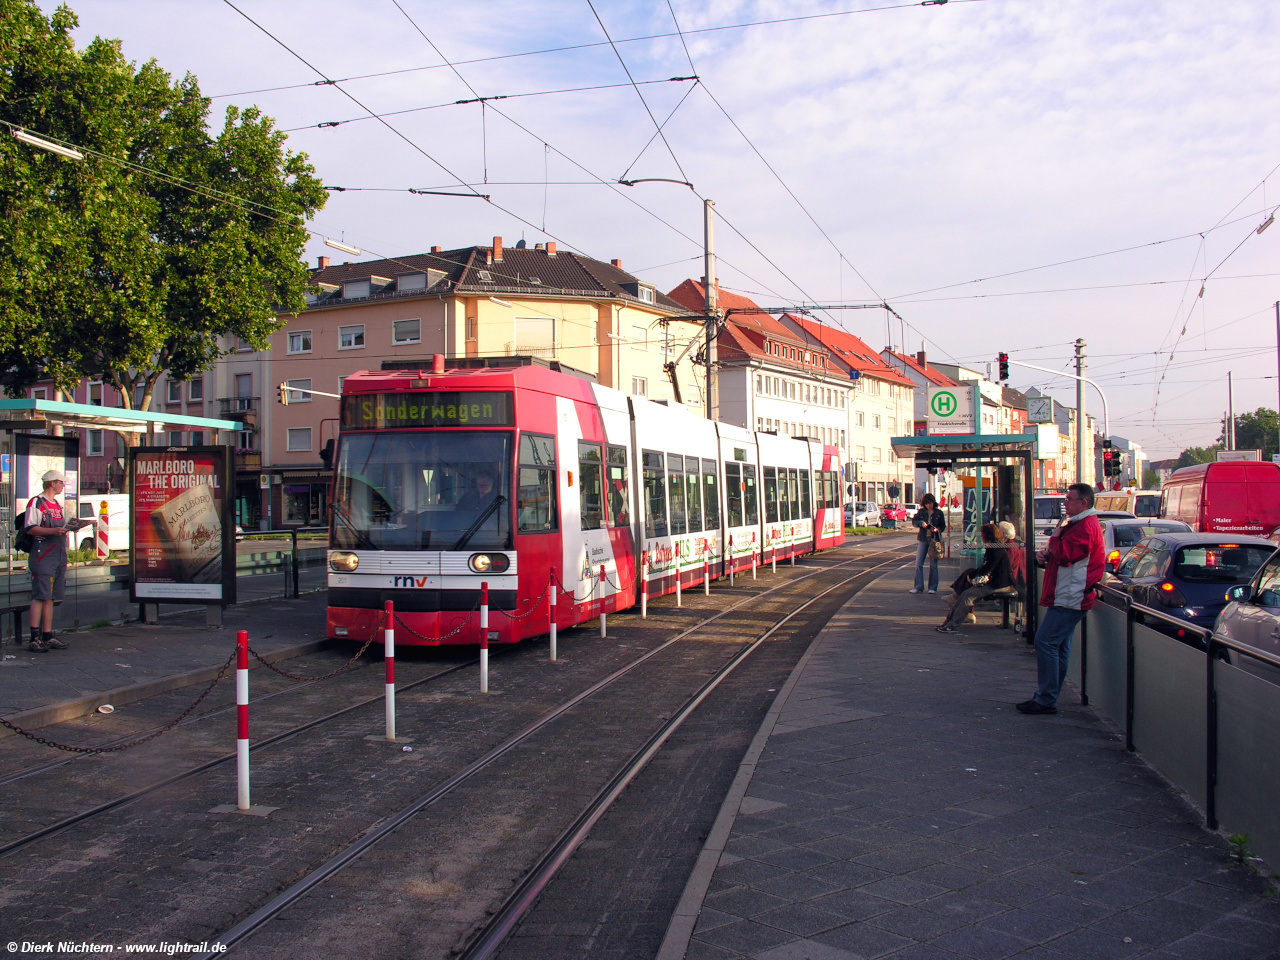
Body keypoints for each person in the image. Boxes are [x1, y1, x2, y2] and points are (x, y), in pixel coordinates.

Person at [1017, 482, 1105, 715]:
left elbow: (1067, 554)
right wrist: (1049, 554)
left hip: (1070, 596)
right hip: (1068, 594)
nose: (1064, 503)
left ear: (1084, 503)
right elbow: (1066, 556)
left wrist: (1054, 540)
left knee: (1045, 642)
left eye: (1069, 499)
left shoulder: (1085, 526)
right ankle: (1049, 695)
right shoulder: (1081, 523)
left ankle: (1047, 698)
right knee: (1059, 645)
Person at [24, 470, 73, 652]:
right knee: (40, 594)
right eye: (61, 482)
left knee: (51, 596)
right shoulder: (37, 502)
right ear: (52, 483)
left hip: (58, 553)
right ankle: (34, 637)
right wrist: (53, 531)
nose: (63, 485)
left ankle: (47, 634)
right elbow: (30, 528)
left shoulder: (57, 504)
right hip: (43, 553)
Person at [937, 523, 1017, 632]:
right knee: (965, 594)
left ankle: (953, 625)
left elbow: (986, 568)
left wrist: (972, 576)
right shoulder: (995, 547)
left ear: (986, 536)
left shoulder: (996, 550)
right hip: (997, 582)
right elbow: (985, 567)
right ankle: (949, 622)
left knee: (967, 596)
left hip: (1000, 584)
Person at [910, 493, 946, 594]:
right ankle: (918, 586)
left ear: (933, 503)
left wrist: (937, 529)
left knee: (933, 565)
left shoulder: (939, 513)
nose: (928, 506)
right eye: (926, 504)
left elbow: (943, 526)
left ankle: (932, 587)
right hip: (923, 538)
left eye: (930, 503)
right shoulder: (921, 512)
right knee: (918, 563)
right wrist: (920, 523)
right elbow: (914, 521)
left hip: (934, 540)